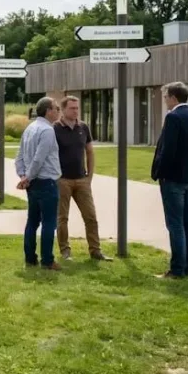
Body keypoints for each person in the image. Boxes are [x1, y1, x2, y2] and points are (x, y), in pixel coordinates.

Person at [151, 82, 188, 279]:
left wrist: (160, 172)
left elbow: (168, 150)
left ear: (173, 97)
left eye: (166, 97)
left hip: (174, 178)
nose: (165, 101)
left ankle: (177, 269)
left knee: (175, 224)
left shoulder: (174, 117)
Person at [54, 96, 106, 261]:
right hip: (62, 180)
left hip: (81, 180)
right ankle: (65, 251)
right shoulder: (54, 128)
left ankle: (96, 251)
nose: (76, 111)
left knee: (91, 216)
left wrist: (89, 176)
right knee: (62, 218)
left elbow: (90, 151)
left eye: (77, 108)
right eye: (72, 108)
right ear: (63, 110)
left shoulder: (83, 127)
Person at [15, 97, 63, 270]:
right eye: (56, 108)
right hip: (45, 181)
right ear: (48, 110)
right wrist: (28, 176)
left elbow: (19, 155)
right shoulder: (47, 130)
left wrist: (22, 175)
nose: (58, 111)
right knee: (49, 222)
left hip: (32, 184)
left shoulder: (30, 128)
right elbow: (38, 159)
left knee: (32, 221)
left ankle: (30, 257)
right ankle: (47, 260)